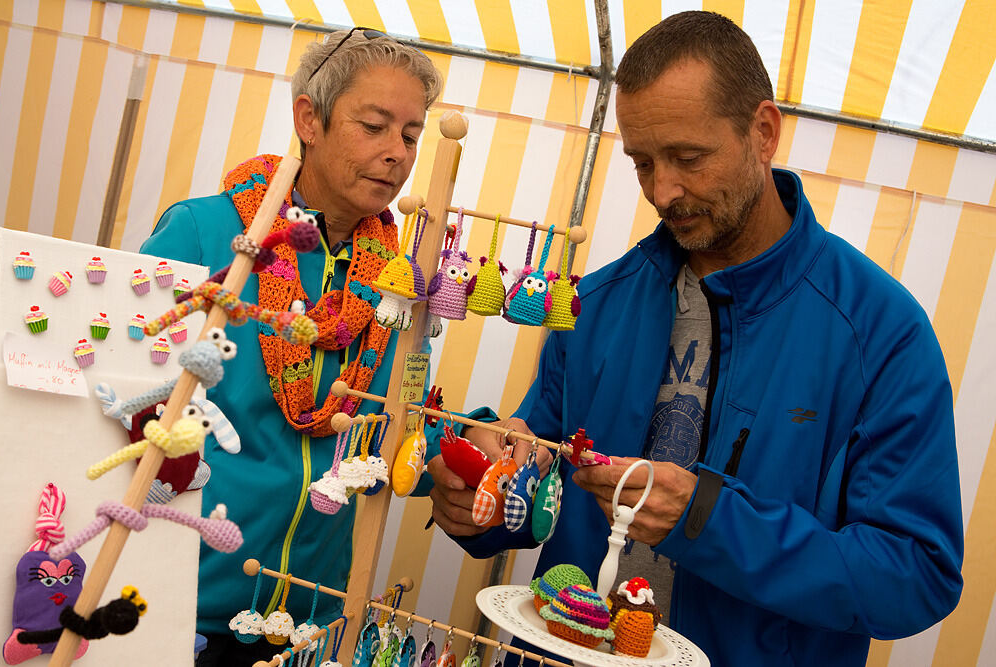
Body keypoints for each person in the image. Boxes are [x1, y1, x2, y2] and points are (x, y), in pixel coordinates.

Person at [427, 11, 963, 667]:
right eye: (642, 162)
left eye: (688, 158)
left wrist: (708, 518)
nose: (662, 189)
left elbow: (916, 574)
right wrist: (481, 491)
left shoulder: (881, 332)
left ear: (763, 132)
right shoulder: (592, 304)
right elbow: (537, 470)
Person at [141, 29, 463, 666]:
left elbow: (397, 424)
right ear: (308, 119)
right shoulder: (205, 233)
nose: (397, 154)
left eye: (410, 134)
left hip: (310, 624)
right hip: (179, 607)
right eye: (373, 126)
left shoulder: (399, 282)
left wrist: (466, 449)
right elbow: (124, 406)